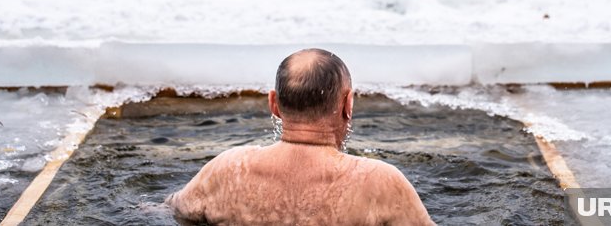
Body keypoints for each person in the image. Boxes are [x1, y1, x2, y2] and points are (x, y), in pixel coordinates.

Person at [165, 48, 435, 225]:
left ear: (274, 104)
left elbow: (167, 212)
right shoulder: (379, 183)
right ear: (347, 104)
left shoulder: (229, 170)